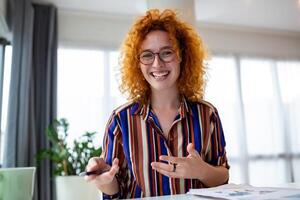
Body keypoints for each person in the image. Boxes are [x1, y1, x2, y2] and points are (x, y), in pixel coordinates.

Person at [85, 9, 229, 199]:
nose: (157, 64)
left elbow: (223, 176)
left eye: (166, 53)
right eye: (147, 55)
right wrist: (104, 180)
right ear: (137, 63)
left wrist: (201, 170)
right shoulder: (121, 119)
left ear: (182, 56)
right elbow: (115, 188)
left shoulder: (207, 113)